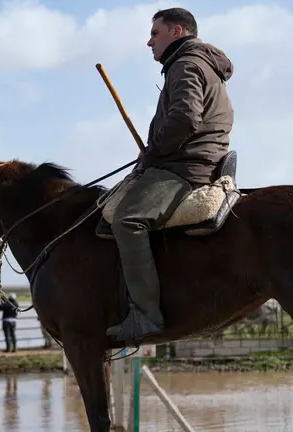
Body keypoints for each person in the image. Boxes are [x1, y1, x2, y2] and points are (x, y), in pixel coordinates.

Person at [106, 7, 234, 343]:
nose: (149, 42)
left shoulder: (186, 64)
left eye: (155, 33)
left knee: (127, 221)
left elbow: (184, 119)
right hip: (192, 159)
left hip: (184, 166)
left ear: (177, 31)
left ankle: (146, 315)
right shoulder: (202, 64)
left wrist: (153, 152)